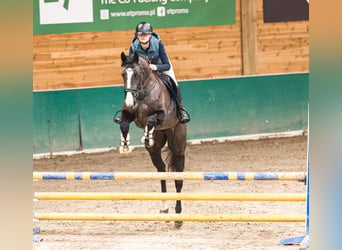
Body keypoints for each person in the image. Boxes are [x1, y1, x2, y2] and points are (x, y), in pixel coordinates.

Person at [129, 22, 190, 124]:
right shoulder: (134, 47)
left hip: (161, 65)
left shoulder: (158, 43)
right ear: (137, 36)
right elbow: (131, 65)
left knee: (173, 81)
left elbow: (167, 65)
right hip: (143, 71)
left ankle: (181, 110)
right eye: (140, 35)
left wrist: (155, 67)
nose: (143, 37)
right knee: (131, 84)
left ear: (150, 35)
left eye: (146, 34)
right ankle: (130, 111)